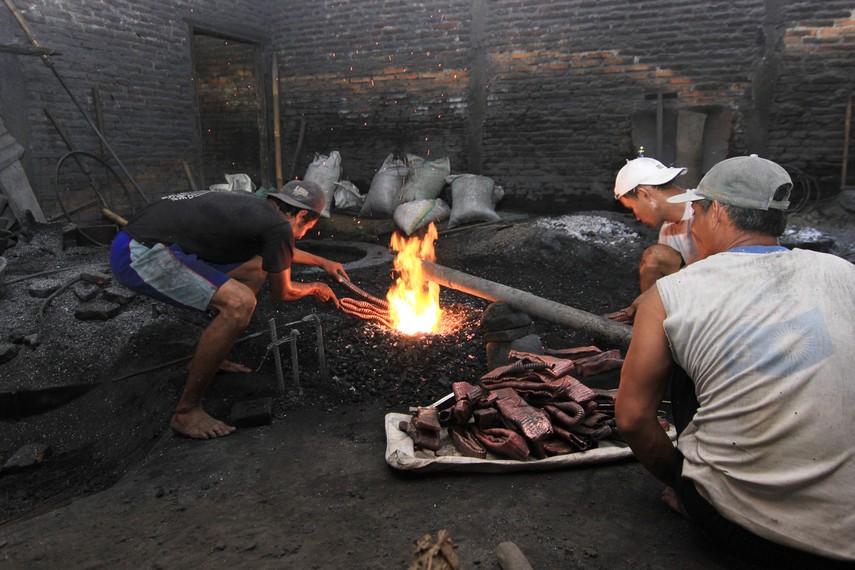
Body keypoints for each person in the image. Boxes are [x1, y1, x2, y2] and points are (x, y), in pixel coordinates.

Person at [615, 155, 855, 566]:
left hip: (748, 529)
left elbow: (633, 419)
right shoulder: (843, 273)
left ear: (718, 212)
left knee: (682, 362)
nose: (695, 218)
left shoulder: (671, 296)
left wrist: (680, 479)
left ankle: (703, 486)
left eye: (700, 208)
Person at [109, 180, 348, 439]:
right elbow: (283, 291)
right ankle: (186, 412)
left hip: (150, 240)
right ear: (303, 215)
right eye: (309, 228)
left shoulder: (257, 207)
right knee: (240, 303)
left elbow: (278, 250)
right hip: (140, 253)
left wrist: (323, 261)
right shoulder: (278, 227)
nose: (303, 236)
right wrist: (314, 287)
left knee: (256, 270)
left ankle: (211, 353)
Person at [606, 156, 700, 323]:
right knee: (656, 257)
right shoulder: (668, 229)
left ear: (644, 194)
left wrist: (648, 300)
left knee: (655, 256)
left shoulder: (704, 210)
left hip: (730, 295)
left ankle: (650, 321)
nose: (636, 216)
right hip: (699, 293)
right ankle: (650, 321)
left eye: (631, 208)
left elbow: (720, 263)